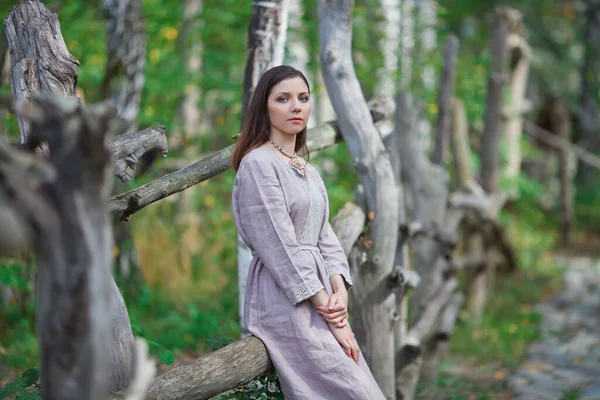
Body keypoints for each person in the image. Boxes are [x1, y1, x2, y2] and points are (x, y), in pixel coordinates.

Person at [231, 65, 385, 400]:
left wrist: (339, 296)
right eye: (283, 99)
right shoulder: (258, 164)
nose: (296, 106)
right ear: (264, 107)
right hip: (285, 295)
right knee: (353, 390)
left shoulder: (304, 166)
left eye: (303, 98)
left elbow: (324, 236)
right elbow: (278, 244)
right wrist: (324, 307)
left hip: (323, 296)